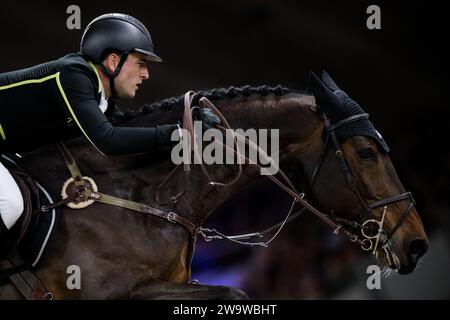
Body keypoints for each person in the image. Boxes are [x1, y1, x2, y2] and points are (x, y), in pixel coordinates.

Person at [0, 13, 219, 239]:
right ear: (113, 61)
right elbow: (109, 140)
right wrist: (181, 133)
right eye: (141, 63)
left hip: (7, 152)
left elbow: (127, 130)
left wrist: (186, 121)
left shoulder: (99, 98)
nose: (146, 74)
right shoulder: (73, 74)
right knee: (11, 204)